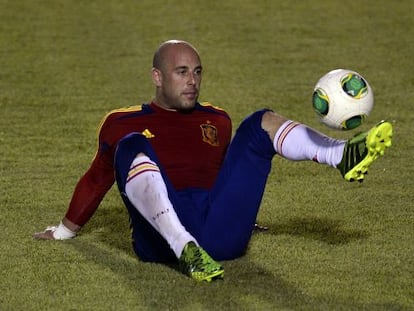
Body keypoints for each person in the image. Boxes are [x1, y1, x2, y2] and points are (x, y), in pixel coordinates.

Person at [33, 40, 393, 282]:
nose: (193, 81)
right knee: (130, 145)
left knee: (259, 123)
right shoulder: (121, 122)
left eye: (197, 71)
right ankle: (182, 246)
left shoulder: (217, 119)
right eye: (182, 72)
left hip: (218, 235)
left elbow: (225, 179)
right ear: (157, 77)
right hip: (159, 241)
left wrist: (243, 219)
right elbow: (97, 179)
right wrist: (65, 230)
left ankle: (342, 154)